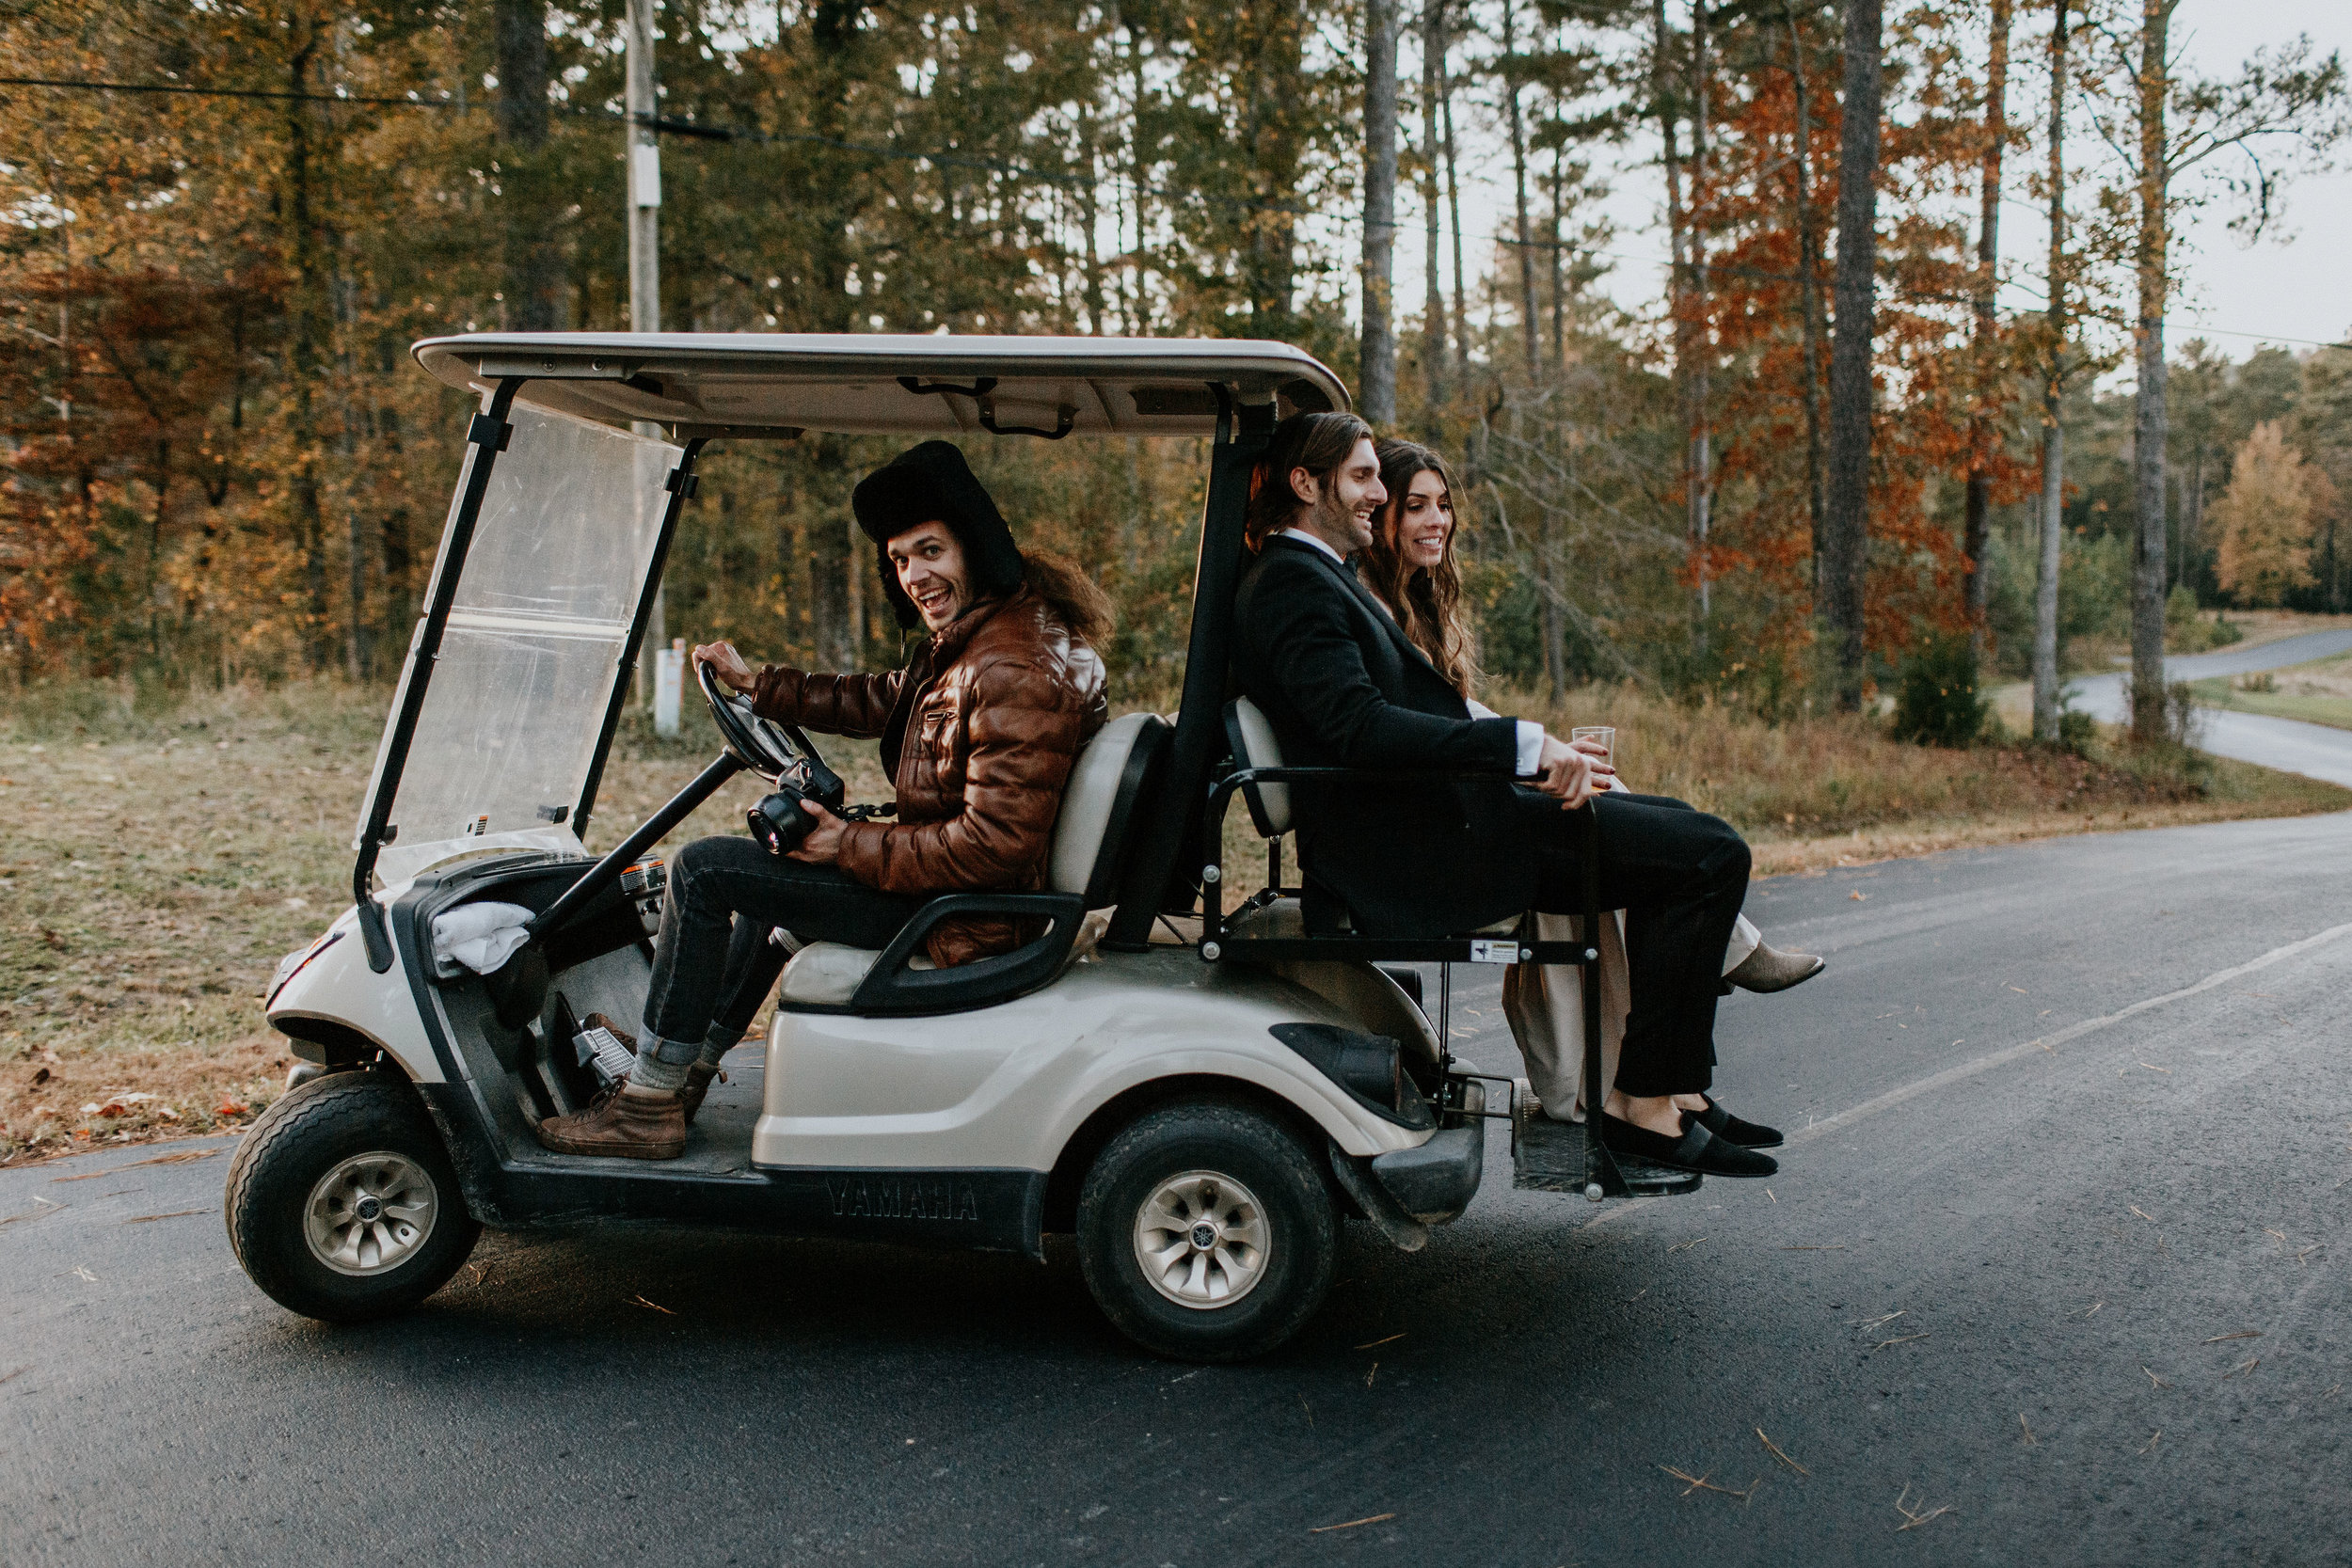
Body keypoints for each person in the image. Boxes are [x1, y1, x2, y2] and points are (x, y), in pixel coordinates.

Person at [1230, 411, 1772, 1178]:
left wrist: (1522, 758)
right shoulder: (1292, 583)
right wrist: (1523, 746)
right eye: (1363, 477)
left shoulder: (1317, 574)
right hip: (1425, 850)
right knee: (1711, 855)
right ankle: (1642, 1104)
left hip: (1442, 822)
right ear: (1304, 483)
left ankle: (1672, 1090)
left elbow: (1390, 718)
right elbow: (1361, 729)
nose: (1378, 493)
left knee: (1681, 828)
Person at [535, 440, 1112, 1160]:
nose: (915, 576)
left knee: (704, 870)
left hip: (964, 918)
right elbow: (889, 699)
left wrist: (845, 842)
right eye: (900, 559)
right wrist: (760, 685)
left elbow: (994, 845)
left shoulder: (1010, 665)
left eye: (930, 551)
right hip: (957, 899)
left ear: (974, 545)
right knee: (770, 870)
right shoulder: (988, 638)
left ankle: (647, 1104)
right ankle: (682, 1071)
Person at [1359, 438, 1821, 1147]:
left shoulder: (1413, 605)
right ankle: (1686, 1036)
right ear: (1379, 515)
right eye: (1416, 506)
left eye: (1443, 505)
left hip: (1467, 805)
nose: (1436, 520)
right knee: (1684, 850)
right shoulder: (1372, 609)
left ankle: (1680, 1091)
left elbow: (1454, 722)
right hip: (1453, 832)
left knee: (1653, 814)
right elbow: (1425, 734)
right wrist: (1533, 757)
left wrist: (1547, 754)